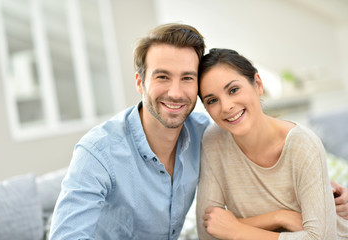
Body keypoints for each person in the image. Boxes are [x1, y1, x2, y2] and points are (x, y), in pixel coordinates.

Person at [49, 23, 211, 240]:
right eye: (162, 77)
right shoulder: (98, 151)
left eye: (187, 78)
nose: (175, 92)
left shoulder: (206, 134)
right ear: (140, 82)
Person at [196, 48, 348, 239]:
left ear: (258, 84)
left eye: (233, 90)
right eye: (212, 100)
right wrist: (279, 217)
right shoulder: (214, 141)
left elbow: (322, 238)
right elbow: (207, 230)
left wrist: (236, 229)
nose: (226, 107)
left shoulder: (303, 144)